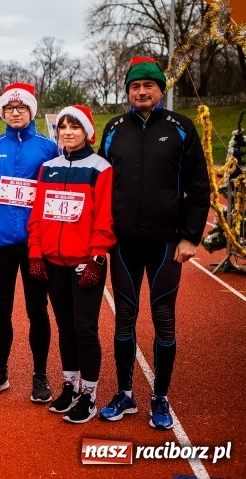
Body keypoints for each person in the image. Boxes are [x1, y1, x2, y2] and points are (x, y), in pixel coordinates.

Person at [96, 56, 209, 429]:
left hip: (165, 245)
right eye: (134, 87)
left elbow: (198, 185)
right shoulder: (114, 129)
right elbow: (98, 184)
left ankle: (160, 397)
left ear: (161, 90)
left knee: (163, 319)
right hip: (124, 244)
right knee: (124, 319)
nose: (141, 92)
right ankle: (125, 393)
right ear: (128, 91)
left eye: (148, 86)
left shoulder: (181, 127)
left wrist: (190, 236)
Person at [27, 105, 116, 423]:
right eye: (62, 126)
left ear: (87, 131)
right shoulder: (48, 168)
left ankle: (89, 394)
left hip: (84, 262)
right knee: (65, 327)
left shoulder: (100, 168)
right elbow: (37, 216)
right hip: (53, 262)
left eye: (74, 126)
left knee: (85, 329)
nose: (67, 131)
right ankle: (70, 385)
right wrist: (36, 253)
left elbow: (104, 219)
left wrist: (96, 258)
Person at [0, 82, 59, 402]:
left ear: (31, 111)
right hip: (2, 243)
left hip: (37, 243)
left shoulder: (47, 148)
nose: (15, 112)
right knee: (1, 310)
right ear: (2, 113)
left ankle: (40, 375)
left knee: (38, 309)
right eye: (9, 108)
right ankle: (0, 371)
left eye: (21, 107)